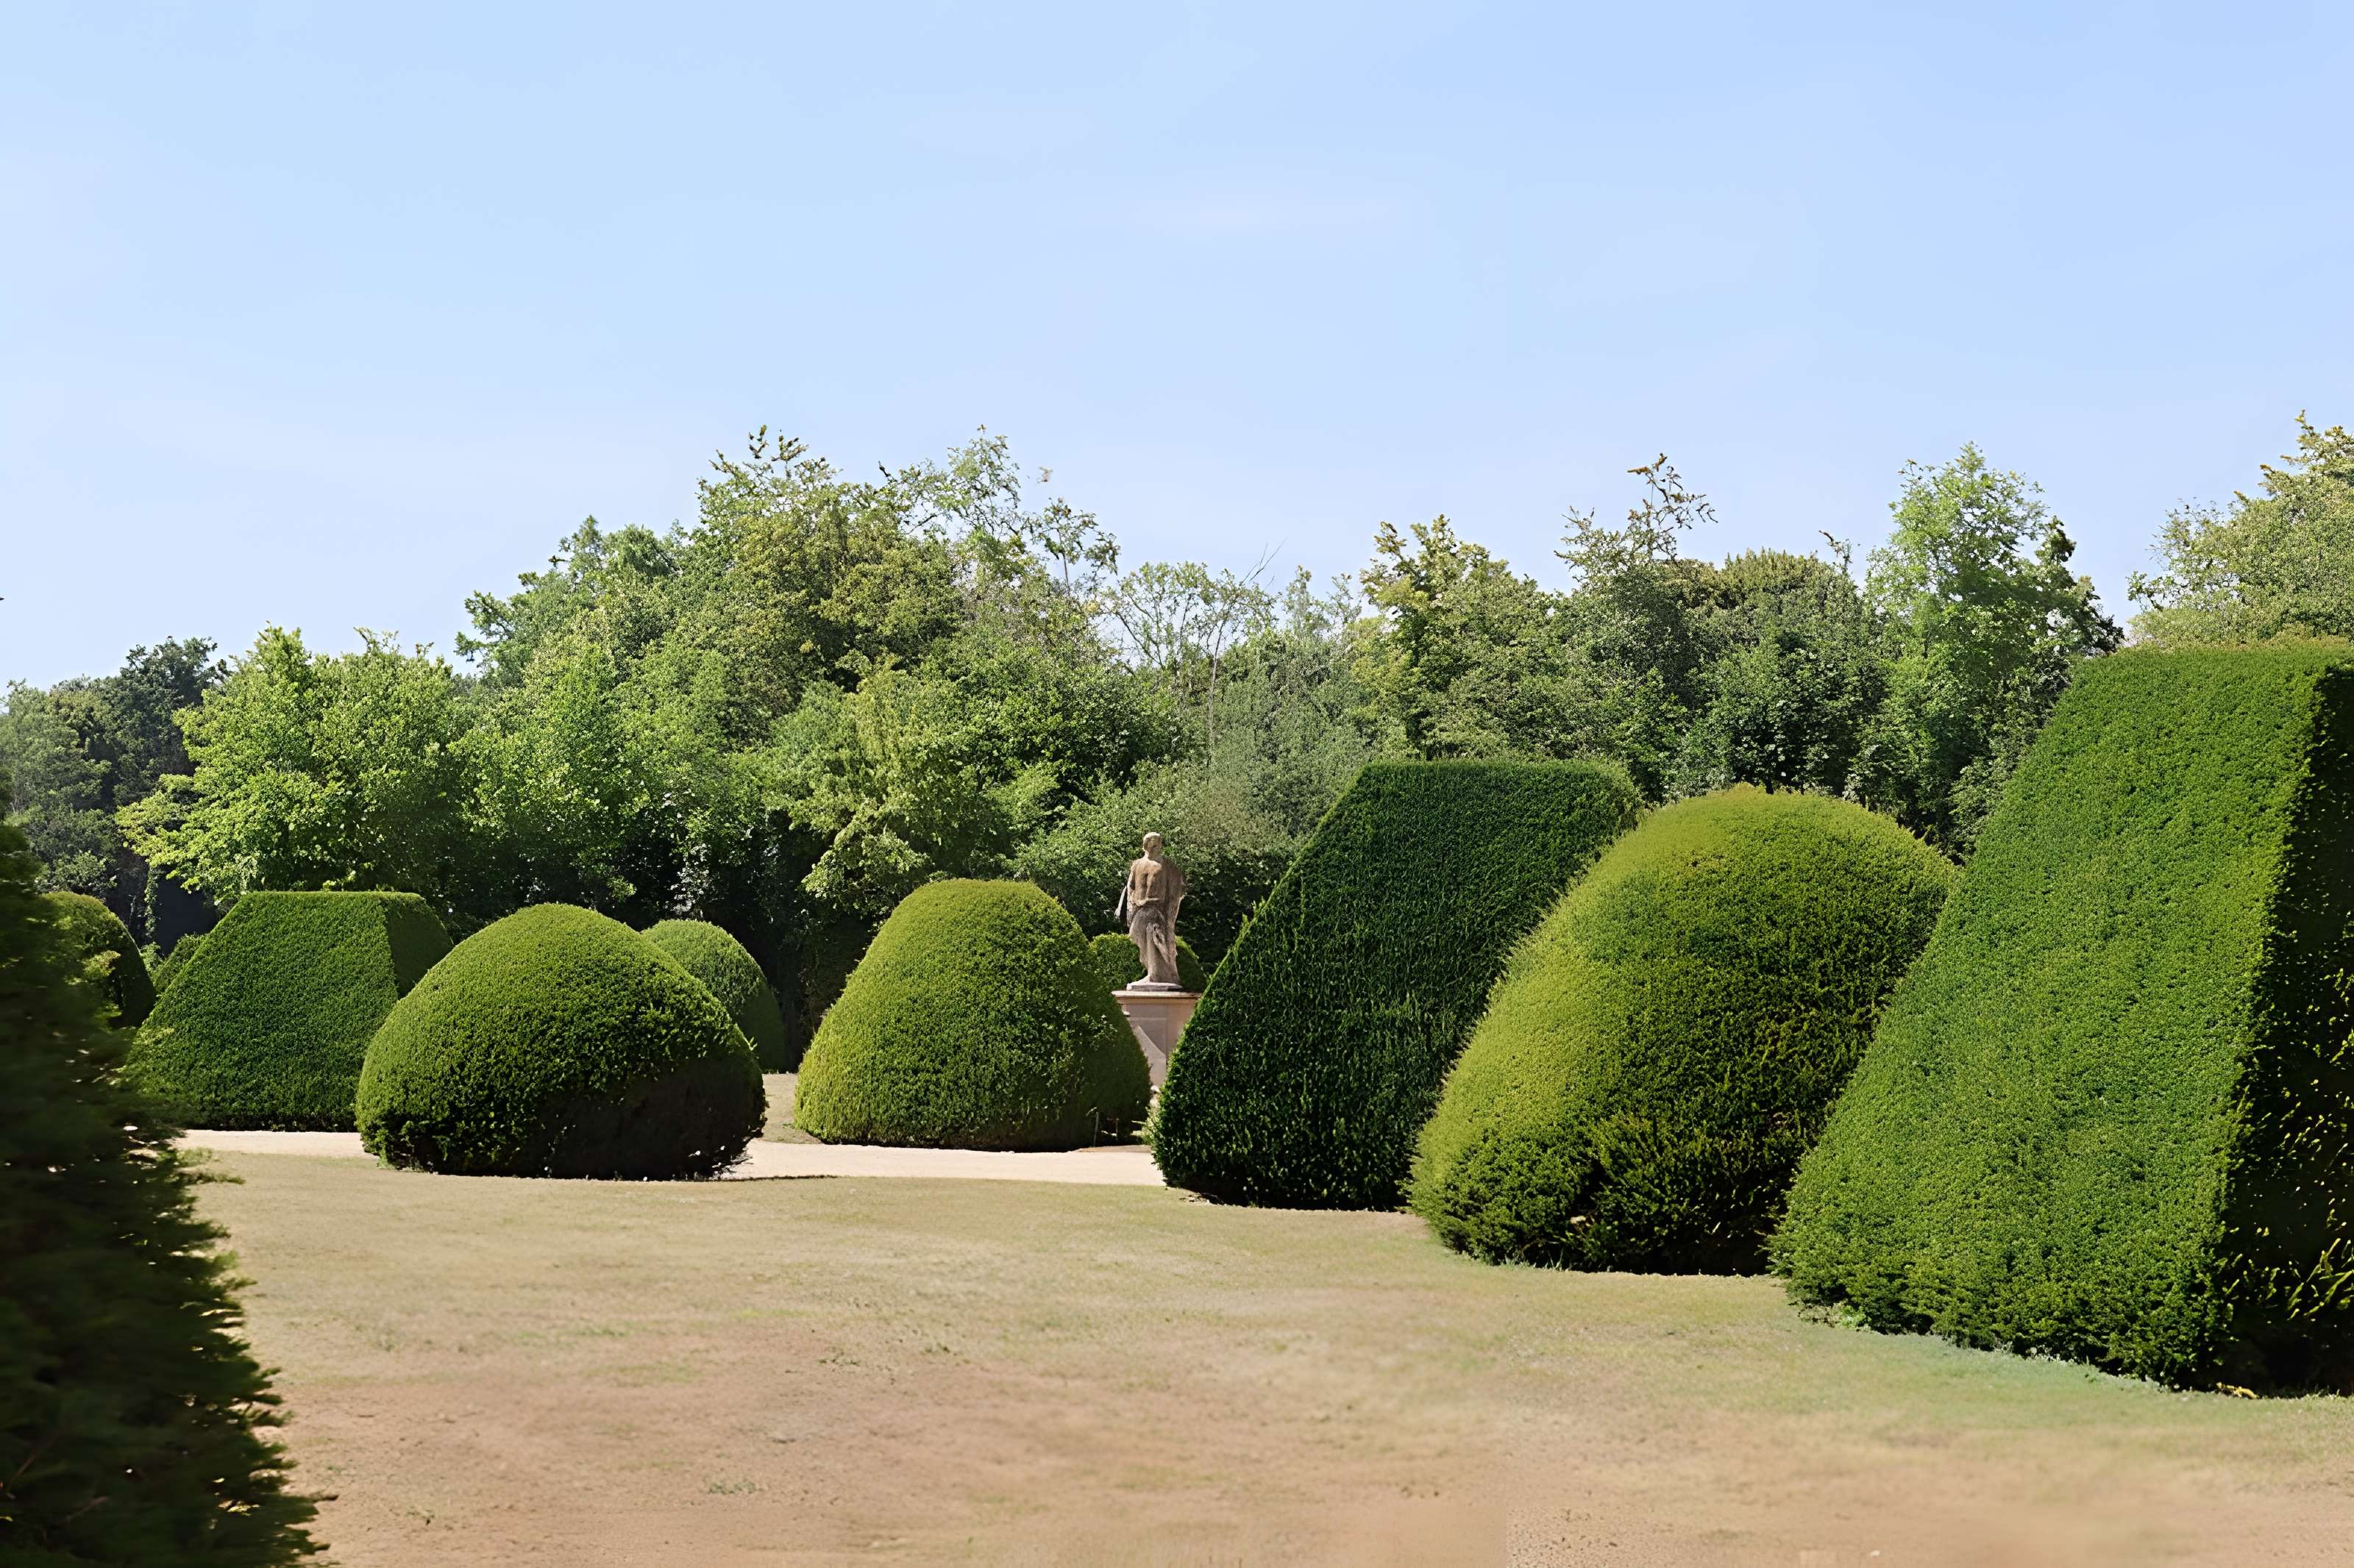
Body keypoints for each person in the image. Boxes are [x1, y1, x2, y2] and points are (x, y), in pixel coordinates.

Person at [1113, 832, 1189, 989]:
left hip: (1157, 910)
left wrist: (1169, 915)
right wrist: (1131, 905)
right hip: (1140, 909)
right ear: (1145, 845)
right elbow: (1131, 888)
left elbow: (1176, 892)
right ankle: (1152, 974)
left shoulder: (1168, 866)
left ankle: (1156, 976)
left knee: (1155, 942)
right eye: (1152, 844)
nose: (1155, 848)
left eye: (1158, 845)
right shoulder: (1137, 865)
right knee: (1141, 943)